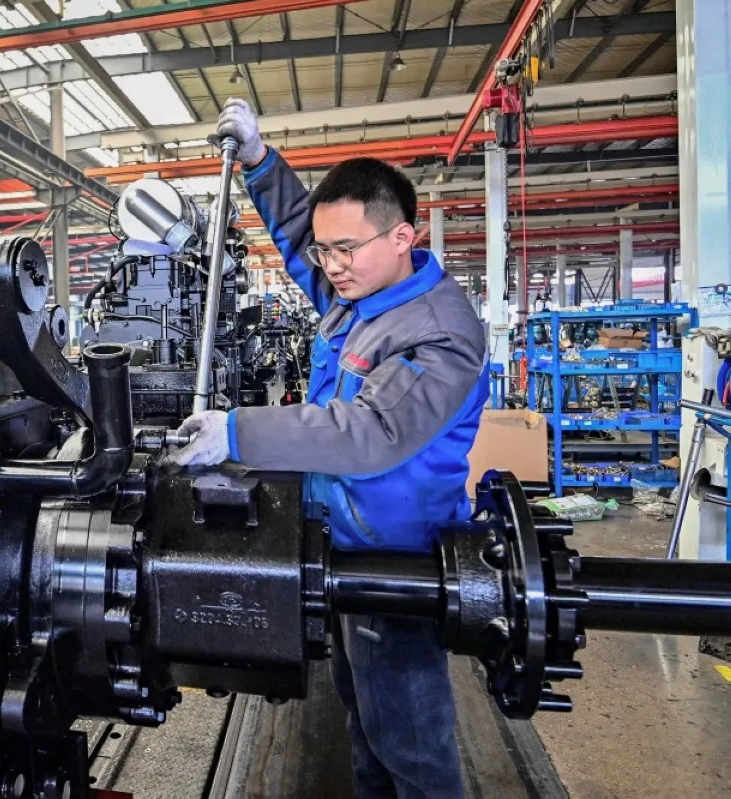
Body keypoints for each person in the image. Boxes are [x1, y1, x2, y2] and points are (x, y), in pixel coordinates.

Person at [164, 98, 489, 798]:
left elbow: (368, 434)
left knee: (412, 746)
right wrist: (258, 159)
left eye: (347, 249)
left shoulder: (440, 332)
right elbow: (292, 231)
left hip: (397, 565)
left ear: (403, 237)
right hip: (341, 543)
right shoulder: (359, 290)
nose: (330, 265)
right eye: (326, 249)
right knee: (364, 727)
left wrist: (236, 430)